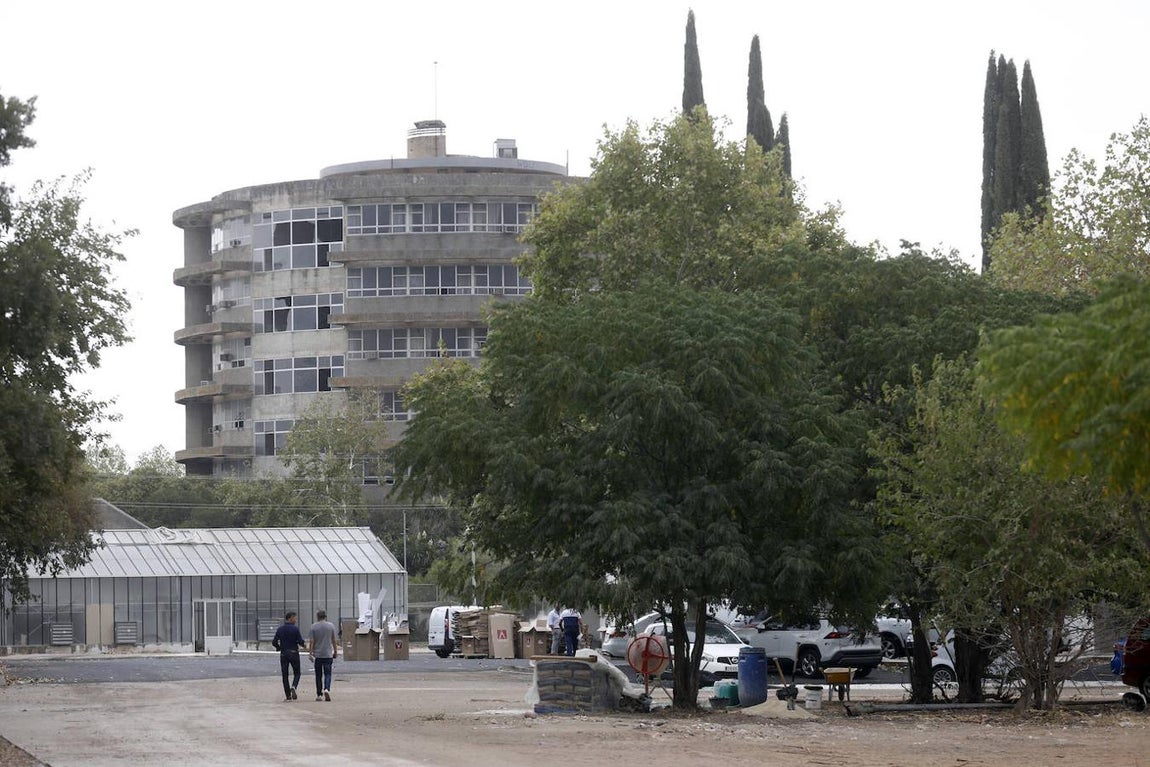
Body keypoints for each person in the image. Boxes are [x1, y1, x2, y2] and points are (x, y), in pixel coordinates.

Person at [272, 611, 307, 701]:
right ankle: (294, 686)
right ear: (290, 618)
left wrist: (279, 648)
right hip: (294, 653)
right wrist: (304, 645)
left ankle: (288, 696)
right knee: (297, 673)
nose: (296, 620)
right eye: (295, 618)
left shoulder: (280, 629)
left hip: (284, 654)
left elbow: (274, 642)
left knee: (285, 675)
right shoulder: (295, 629)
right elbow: (300, 641)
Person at [308, 609, 338, 701]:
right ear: (325, 616)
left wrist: (310, 653)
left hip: (318, 655)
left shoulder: (313, 627)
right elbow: (334, 640)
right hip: (328, 654)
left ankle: (319, 694)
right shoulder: (331, 626)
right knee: (328, 674)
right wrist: (335, 651)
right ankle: (327, 689)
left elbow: (312, 641)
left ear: (317, 617)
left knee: (318, 675)